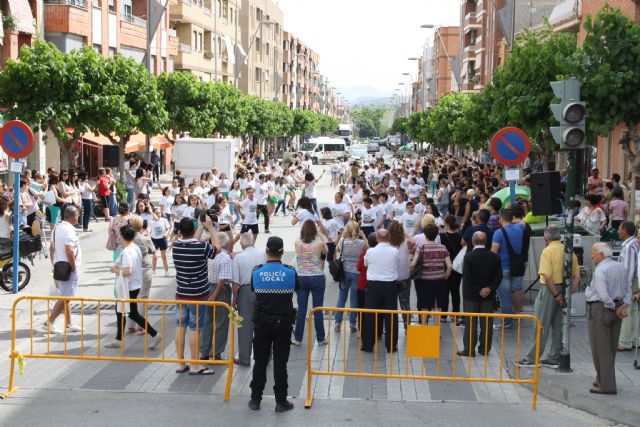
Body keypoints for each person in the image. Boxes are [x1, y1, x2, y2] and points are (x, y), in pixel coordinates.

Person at [516, 226, 580, 367]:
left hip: (549, 290)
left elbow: (547, 275)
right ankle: (554, 357)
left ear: (546, 238)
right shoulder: (569, 251)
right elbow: (577, 276)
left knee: (540, 324)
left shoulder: (547, 251)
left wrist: (556, 294)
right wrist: (567, 294)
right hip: (565, 288)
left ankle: (533, 358)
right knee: (559, 325)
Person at [248, 236, 297, 412]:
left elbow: (254, 290)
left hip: (262, 323)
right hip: (283, 324)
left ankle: (255, 399)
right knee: (280, 363)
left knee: (260, 361)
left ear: (267, 251)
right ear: (282, 252)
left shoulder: (257, 272)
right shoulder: (291, 272)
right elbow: (295, 289)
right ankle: (281, 402)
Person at [172, 216, 219, 376]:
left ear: (179, 232)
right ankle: (195, 364)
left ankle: (180, 363)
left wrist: (199, 226)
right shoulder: (202, 247)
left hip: (181, 293)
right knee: (195, 328)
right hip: (198, 295)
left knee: (180, 326)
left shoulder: (176, 245)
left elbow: (192, 241)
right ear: (192, 231)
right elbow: (217, 248)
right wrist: (210, 227)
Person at [586, 242, 631, 394]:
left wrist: (614, 308)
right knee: (610, 348)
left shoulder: (600, 270)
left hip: (602, 309)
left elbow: (604, 295)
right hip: (616, 307)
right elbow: (628, 290)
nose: (591, 255)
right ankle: (601, 378)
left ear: (601, 254)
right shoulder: (620, 268)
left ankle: (607, 384)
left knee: (600, 349)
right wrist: (622, 306)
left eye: (593, 252)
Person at [106, 225, 161, 349]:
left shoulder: (127, 251)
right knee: (122, 311)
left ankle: (155, 334)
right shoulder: (133, 247)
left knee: (130, 313)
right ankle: (118, 339)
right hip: (133, 284)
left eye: (119, 235)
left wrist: (115, 270)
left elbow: (128, 271)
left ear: (123, 236)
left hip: (129, 286)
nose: (118, 237)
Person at [457, 232, 502, 357]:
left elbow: (468, 277)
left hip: (471, 295)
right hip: (488, 296)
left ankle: (469, 349)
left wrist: (479, 289)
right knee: (486, 323)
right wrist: (489, 289)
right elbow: (499, 276)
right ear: (486, 241)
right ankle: (484, 348)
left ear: (473, 241)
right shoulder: (494, 257)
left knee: (471, 323)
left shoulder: (468, 257)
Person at [41, 207, 82, 334]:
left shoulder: (57, 228)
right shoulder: (69, 230)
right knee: (66, 296)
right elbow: (69, 250)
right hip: (68, 267)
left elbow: (51, 248)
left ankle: (69, 324)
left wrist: (54, 262)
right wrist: (73, 267)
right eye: (78, 216)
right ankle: (49, 322)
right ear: (73, 216)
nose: (78, 218)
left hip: (59, 266)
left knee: (66, 295)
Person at [231, 232, 267, 366]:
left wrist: (235, 299)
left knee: (244, 326)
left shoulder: (239, 258)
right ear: (253, 242)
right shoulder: (263, 254)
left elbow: (235, 282)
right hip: (263, 290)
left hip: (245, 291)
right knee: (263, 324)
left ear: (241, 244)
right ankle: (264, 357)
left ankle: (244, 358)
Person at [362, 229, 400, 353]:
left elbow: (366, 264)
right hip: (390, 286)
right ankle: (391, 346)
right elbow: (396, 263)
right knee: (391, 316)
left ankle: (368, 345)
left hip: (373, 286)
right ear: (388, 238)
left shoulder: (370, 251)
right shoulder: (395, 251)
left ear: (377, 238)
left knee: (370, 315)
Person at [292, 220, 328, 346]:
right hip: (317, 276)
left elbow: (299, 254)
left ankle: (298, 338)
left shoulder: (298, 243)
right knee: (318, 308)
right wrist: (320, 235)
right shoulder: (319, 244)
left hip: (301, 277)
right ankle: (321, 338)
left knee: (302, 308)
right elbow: (326, 252)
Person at [491, 208, 526, 330]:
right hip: (517, 267)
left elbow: (494, 253)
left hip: (503, 268)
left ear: (501, 219)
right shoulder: (519, 228)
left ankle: (507, 323)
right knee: (517, 289)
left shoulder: (498, 233)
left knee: (504, 296)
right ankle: (517, 314)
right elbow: (523, 222)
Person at [410, 224, 452, 323]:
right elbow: (450, 266)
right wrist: (444, 277)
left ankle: (424, 328)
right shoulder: (442, 248)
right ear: (437, 235)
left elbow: (413, 264)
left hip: (424, 281)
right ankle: (436, 331)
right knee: (437, 306)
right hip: (439, 281)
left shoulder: (421, 248)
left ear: (425, 235)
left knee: (424, 305)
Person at [200, 232, 233, 361]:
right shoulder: (225, 257)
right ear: (225, 243)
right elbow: (222, 281)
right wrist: (214, 296)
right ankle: (216, 352)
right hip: (220, 292)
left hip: (207, 287)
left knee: (207, 321)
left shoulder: (207, 255)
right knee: (221, 322)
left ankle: (204, 351)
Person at [334, 221, 367, 333]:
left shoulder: (343, 242)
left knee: (341, 298)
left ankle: (337, 323)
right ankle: (352, 323)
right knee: (354, 299)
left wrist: (342, 235)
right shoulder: (361, 243)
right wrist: (363, 235)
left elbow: (337, 249)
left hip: (344, 272)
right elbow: (368, 248)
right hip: (357, 273)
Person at [617, 222, 639, 352]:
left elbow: (630, 268)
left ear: (625, 230)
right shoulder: (632, 245)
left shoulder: (630, 246)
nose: (618, 231)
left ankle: (624, 342)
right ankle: (635, 339)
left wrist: (627, 286)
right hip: (634, 281)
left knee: (627, 310)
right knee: (635, 311)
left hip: (629, 281)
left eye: (620, 229)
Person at [388, 220, 413, 330]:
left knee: (389, 305)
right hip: (404, 277)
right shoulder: (406, 242)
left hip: (390, 278)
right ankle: (407, 327)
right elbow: (414, 242)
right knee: (405, 303)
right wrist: (405, 233)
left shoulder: (387, 243)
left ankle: (390, 328)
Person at [149, 207, 171, 277]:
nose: (158, 214)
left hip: (162, 239)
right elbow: (149, 231)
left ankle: (167, 271)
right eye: (156, 213)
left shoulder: (164, 220)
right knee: (155, 257)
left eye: (159, 213)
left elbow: (168, 228)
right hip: (154, 240)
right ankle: (153, 272)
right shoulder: (151, 221)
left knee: (164, 256)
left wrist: (166, 233)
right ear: (153, 213)